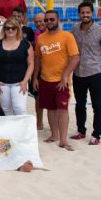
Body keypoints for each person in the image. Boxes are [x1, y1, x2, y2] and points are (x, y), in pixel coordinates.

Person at [33, 10, 80, 151]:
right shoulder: (41, 38)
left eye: (51, 19)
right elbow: (37, 58)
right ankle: (54, 135)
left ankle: (64, 140)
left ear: (58, 19)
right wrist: (35, 77)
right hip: (45, 79)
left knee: (62, 109)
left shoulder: (67, 36)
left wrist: (65, 75)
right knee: (50, 109)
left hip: (61, 81)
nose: (48, 22)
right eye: (46, 20)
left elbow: (75, 57)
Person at [70, 1, 101, 146]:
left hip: (95, 74)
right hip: (78, 74)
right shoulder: (75, 29)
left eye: (88, 12)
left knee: (97, 105)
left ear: (92, 13)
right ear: (79, 14)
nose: (85, 15)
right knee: (79, 105)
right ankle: (81, 131)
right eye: (82, 12)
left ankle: (96, 135)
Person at [0, 19, 34, 115]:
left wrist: (25, 81)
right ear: (3, 29)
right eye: (7, 28)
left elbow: (31, 64)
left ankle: (22, 130)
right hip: (2, 83)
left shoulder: (26, 44)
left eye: (13, 28)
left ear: (18, 29)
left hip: (20, 82)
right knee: (6, 110)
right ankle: (10, 130)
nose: (10, 30)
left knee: (20, 109)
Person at [32, 11, 46, 130]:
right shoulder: (36, 33)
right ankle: (39, 122)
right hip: (38, 70)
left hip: (51, 70)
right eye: (36, 22)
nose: (38, 24)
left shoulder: (53, 33)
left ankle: (55, 123)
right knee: (38, 98)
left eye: (41, 21)